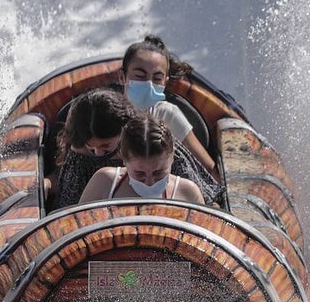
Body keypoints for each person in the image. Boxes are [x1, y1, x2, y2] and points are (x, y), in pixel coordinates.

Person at [52, 89, 223, 208]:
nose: (98, 154)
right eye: (91, 148)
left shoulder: (160, 149)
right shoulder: (94, 171)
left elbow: (206, 202)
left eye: (105, 146)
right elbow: (69, 212)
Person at [119, 36, 220, 181]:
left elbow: (208, 168)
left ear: (165, 82)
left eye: (157, 78)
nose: (148, 84)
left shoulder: (168, 114)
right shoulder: (106, 114)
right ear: (122, 77)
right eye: (140, 76)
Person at [78, 114, 204, 204]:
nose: (149, 182)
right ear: (124, 159)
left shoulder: (188, 193)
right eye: (139, 174)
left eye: (158, 173)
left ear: (172, 158)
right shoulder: (104, 183)